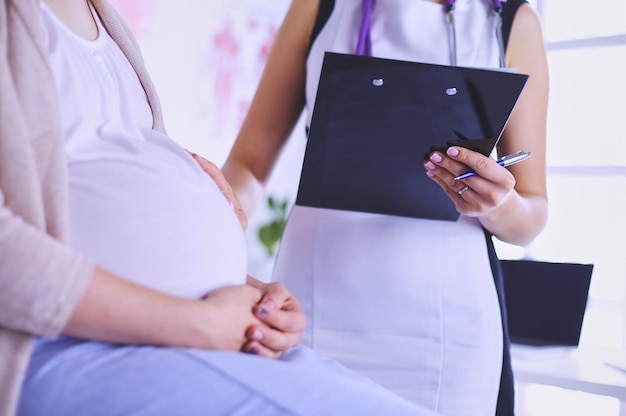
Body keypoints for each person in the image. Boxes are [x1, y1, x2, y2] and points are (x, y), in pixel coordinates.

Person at [0, 1, 437, 415]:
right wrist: (198, 322)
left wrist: (253, 298)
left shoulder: (104, 23)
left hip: (193, 335)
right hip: (71, 343)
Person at [222, 0, 549, 415]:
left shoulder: (510, 23)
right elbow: (248, 166)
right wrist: (216, 209)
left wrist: (498, 204)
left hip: (448, 328)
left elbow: (533, 215)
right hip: (313, 305)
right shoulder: (320, 7)